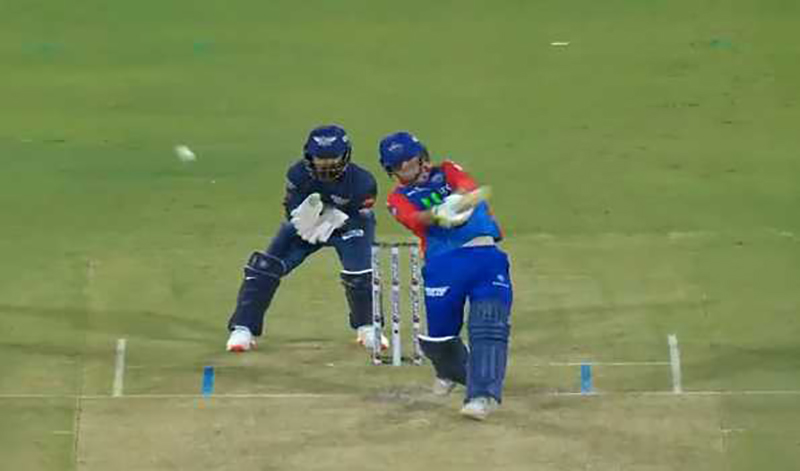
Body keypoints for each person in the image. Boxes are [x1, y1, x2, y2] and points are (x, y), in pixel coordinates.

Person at [378, 131, 513, 421]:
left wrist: (458, 200)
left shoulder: (447, 170)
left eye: (411, 159)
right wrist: (438, 213)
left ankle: (482, 396)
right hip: (442, 265)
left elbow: (467, 186)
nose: (408, 167)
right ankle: (450, 372)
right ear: (392, 170)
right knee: (440, 338)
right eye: (400, 165)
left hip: (485, 255)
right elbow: (413, 218)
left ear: (422, 156)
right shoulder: (397, 198)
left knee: (489, 325)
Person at [225, 124, 387, 353]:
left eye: (332, 158)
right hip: (309, 227)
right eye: (320, 158)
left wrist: (333, 218)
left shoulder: (363, 182)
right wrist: (306, 219)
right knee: (264, 267)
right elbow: (292, 210)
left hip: (348, 227)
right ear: (309, 156)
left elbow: (358, 214)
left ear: (345, 155)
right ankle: (243, 329)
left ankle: (368, 327)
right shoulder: (297, 174)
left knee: (360, 274)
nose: (326, 164)